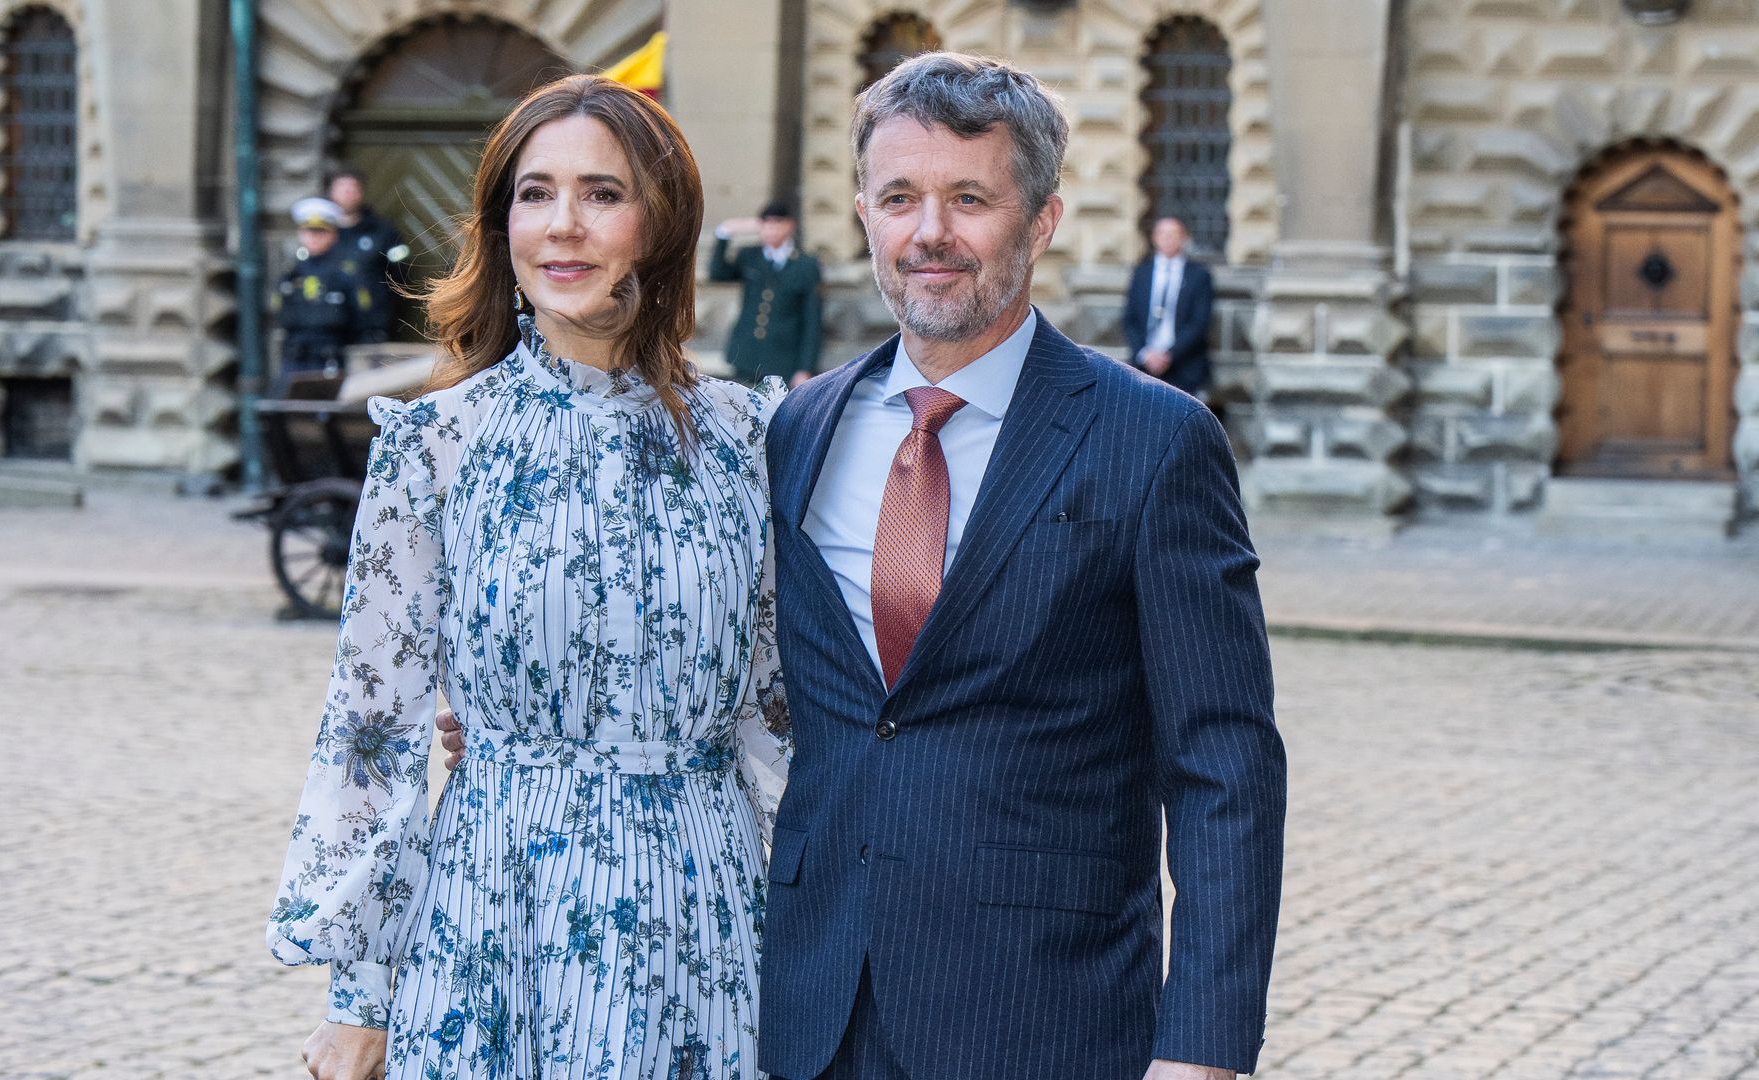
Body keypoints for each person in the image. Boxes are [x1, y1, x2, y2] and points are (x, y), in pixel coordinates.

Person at [755, 54, 1284, 1080]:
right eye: (900, 198)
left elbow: (1224, 763)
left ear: (1039, 222)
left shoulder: (1154, 441)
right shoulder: (799, 428)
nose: (929, 235)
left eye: (969, 199)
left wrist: (1205, 1048)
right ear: (864, 212)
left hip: (1042, 1013)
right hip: (813, 1011)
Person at [267, 75, 790, 1080]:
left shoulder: (745, 440)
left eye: (603, 193)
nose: (564, 227)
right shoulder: (436, 444)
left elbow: (775, 712)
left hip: (700, 913)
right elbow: (372, 723)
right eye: (535, 194)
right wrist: (362, 990)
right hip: (492, 905)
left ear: (660, 224)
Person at [709, 202, 824, 384]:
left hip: (784, 360)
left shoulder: (806, 265)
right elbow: (717, 274)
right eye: (766, 224)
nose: (771, 230)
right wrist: (724, 234)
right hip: (746, 357)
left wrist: (805, 367)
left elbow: (812, 320)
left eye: (777, 223)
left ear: (789, 226)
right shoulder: (750, 255)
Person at [273, 197, 382, 390]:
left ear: (333, 234)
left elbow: (364, 317)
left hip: (332, 358)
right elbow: (279, 311)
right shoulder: (291, 271)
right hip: (295, 358)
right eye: (309, 231)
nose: (314, 237)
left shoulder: (346, 271)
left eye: (320, 232)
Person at [1123, 215, 1216, 398]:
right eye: (1162, 233)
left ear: (1184, 238)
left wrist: (1168, 355)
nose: (1167, 239)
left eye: (1173, 234)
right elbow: (1130, 318)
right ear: (1154, 238)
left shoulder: (1199, 276)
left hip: (1184, 367)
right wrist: (1145, 354)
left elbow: (1199, 322)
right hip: (1143, 366)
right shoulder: (1142, 273)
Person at [328, 167, 411, 338]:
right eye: (342, 188)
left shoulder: (382, 232)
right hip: (330, 328)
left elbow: (400, 275)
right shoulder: (322, 234)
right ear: (331, 192)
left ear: (361, 192)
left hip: (372, 326)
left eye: (352, 189)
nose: (347, 194)